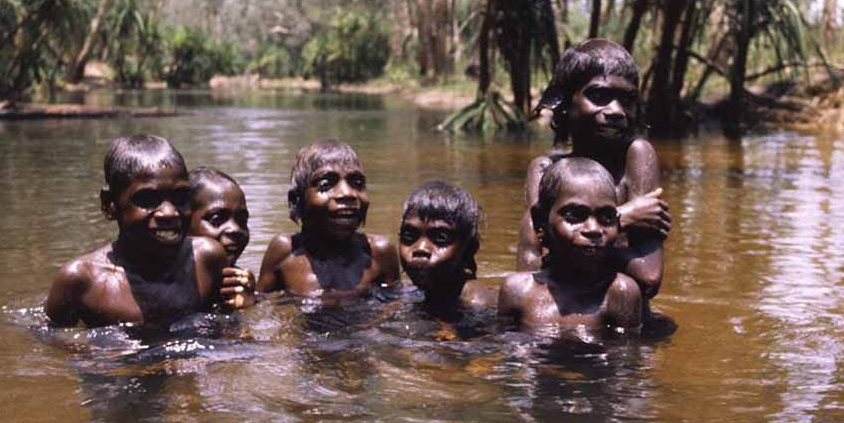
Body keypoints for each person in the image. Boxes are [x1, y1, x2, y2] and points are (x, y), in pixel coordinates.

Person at [516, 39, 670, 299]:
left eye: (628, 100)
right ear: (566, 102)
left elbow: (648, 277)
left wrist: (562, 247)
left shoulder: (637, 155)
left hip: (619, 314)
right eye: (598, 96)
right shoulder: (544, 170)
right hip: (552, 313)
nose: (616, 111)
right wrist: (621, 217)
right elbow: (527, 275)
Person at [45, 135, 227, 327]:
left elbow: (229, 326)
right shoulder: (81, 280)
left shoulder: (207, 259)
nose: (169, 213)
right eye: (148, 198)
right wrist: (88, 351)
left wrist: (246, 303)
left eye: (180, 197)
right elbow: (52, 341)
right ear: (109, 205)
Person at [499, 157, 642, 333]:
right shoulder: (517, 291)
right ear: (540, 221)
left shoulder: (620, 293)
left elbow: (627, 357)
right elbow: (506, 350)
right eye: (575, 216)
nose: (593, 229)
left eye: (606, 218)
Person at [256, 140, 399, 299]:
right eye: (326, 184)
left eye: (357, 183)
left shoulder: (380, 253)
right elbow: (259, 304)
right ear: (296, 200)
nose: (347, 193)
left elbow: (394, 308)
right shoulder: (284, 251)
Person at [398, 180, 496, 317]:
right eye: (409, 236)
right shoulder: (416, 292)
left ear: (469, 249)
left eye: (441, 238)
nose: (420, 249)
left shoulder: (477, 304)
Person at [188, 166, 255, 309]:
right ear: (184, 223)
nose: (236, 229)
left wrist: (248, 307)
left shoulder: (239, 284)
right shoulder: (168, 289)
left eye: (242, 220)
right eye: (217, 219)